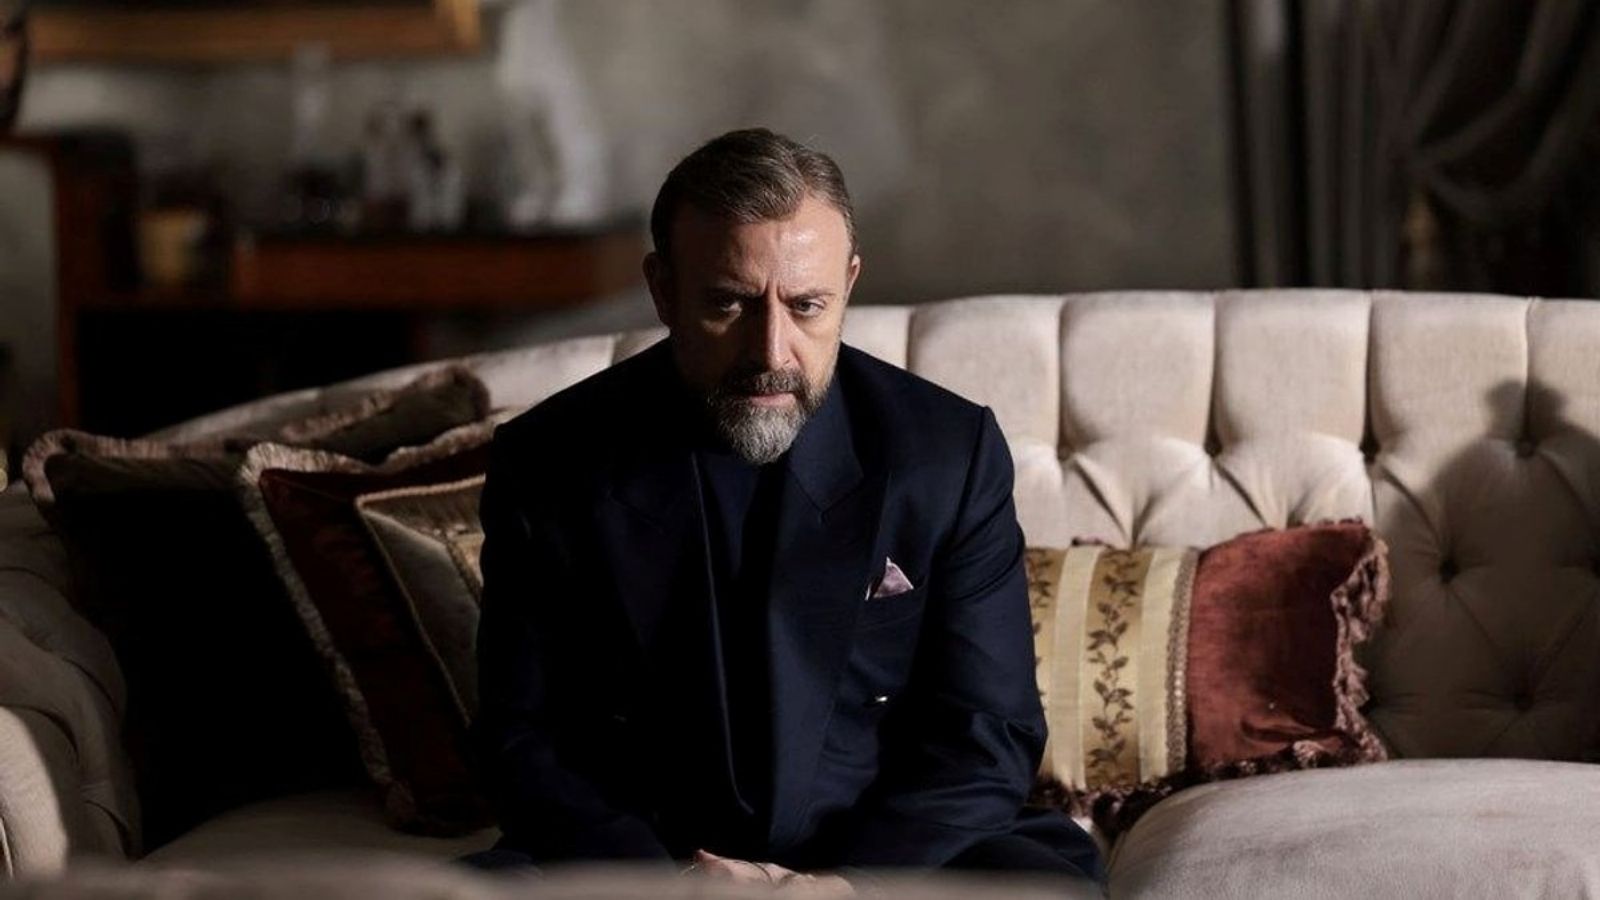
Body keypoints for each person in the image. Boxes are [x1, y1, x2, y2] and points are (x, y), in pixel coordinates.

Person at [465, 128, 1105, 892]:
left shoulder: (946, 454)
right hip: (644, 861)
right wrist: (673, 885)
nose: (771, 352)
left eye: (806, 306)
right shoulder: (549, 460)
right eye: (728, 304)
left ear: (849, 283)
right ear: (663, 290)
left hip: (887, 855)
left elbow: (987, 733)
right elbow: (524, 739)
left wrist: (840, 887)